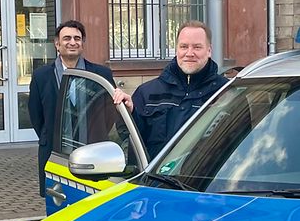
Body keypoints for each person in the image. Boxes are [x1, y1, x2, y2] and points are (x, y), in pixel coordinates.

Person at [28, 20, 131, 197]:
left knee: (91, 202)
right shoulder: (42, 76)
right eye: (66, 38)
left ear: (83, 43)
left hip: (92, 154)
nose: (72, 42)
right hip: (55, 153)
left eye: (77, 38)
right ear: (57, 43)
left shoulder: (101, 74)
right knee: (58, 202)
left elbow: (109, 114)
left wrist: (94, 132)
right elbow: (36, 116)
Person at [132, 20, 228, 158]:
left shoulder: (226, 93)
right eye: (184, 46)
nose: (189, 53)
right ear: (177, 49)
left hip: (206, 179)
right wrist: (130, 111)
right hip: (156, 179)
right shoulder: (147, 93)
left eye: (197, 47)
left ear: (209, 50)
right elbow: (133, 146)